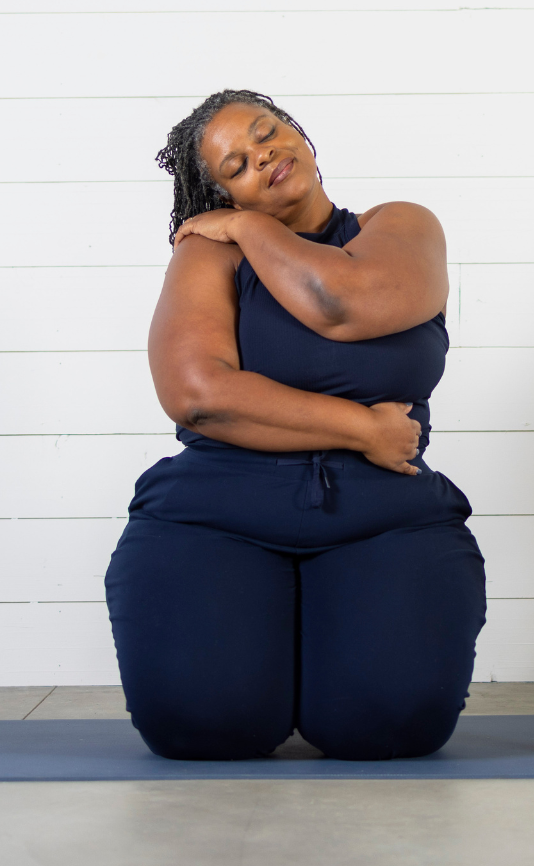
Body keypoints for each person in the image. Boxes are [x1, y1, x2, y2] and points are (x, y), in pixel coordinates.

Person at [105, 89, 487, 762]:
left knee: (390, 730)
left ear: (302, 136)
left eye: (269, 132)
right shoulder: (207, 255)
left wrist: (253, 229)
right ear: (222, 195)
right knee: (204, 729)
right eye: (238, 165)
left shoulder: (399, 226)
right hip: (215, 509)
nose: (266, 155)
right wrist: (361, 428)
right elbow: (197, 394)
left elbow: (341, 301)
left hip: (384, 513)